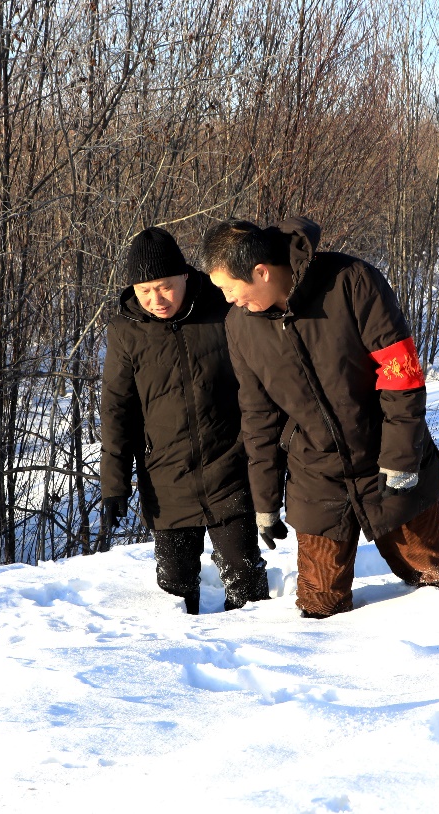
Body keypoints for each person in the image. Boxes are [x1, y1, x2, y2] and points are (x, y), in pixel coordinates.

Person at [201, 217, 439, 618]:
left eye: (229, 289)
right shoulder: (240, 327)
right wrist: (266, 501)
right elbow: (258, 416)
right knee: (320, 604)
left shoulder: (351, 282)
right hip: (316, 472)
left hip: (386, 457)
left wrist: (401, 458)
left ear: (260, 272)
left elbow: (400, 374)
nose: (229, 299)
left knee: (434, 577)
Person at [100, 226, 269, 614]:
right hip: (166, 477)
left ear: (185, 276)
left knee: (246, 581)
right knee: (173, 589)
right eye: (144, 291)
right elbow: (117, 409)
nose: (156, 299)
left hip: (229, 466)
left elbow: (259, 381)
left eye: (164, 286)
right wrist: (115, 483)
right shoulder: (126, 331)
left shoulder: (223, 307)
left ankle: (254, 660)